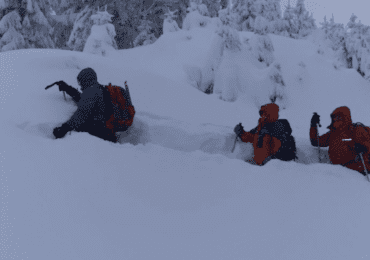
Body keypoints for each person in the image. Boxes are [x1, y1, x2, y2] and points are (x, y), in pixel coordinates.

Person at [52, 67, 135, 143]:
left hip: (105, 132)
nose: (80, 85)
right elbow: (83, 100)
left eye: (80, 82)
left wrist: (63, 129)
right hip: (112, 125)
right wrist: (67, 88)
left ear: (85, 80)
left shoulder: (92, 91)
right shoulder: (99, 89)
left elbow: (81, 114)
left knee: (80, 126)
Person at [310, 106, 370, 176]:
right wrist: (313, 125)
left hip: (359, 173)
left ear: (344, 117)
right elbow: (316, 142)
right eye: (334, 117)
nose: (335, 119)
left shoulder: (356, 130)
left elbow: (368, 145)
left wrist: (363, 148)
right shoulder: (332, 134)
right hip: (337, 173)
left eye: (338, 117)